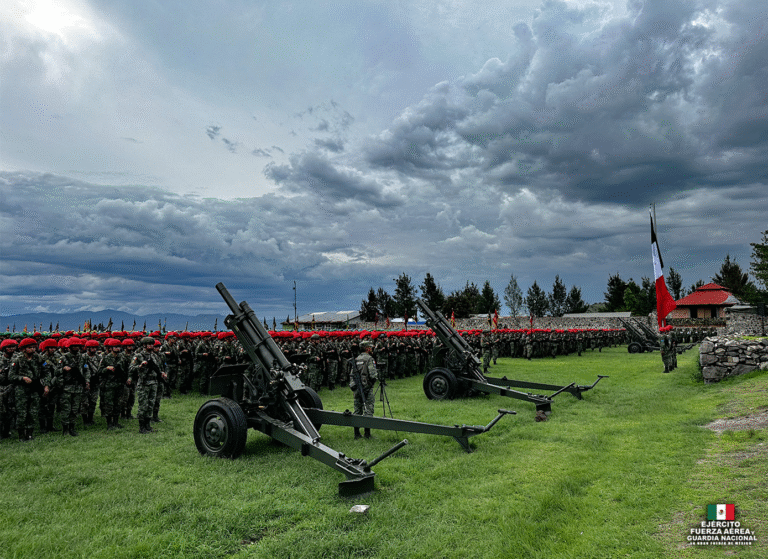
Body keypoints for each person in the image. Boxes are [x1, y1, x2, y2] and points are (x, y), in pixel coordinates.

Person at [129, 337, 167, 434]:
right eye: (149, 344)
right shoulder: (138, 356)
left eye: (152, 344)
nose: (151, 346)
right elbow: (131, 368)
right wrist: (140, 366)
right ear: (144, 345)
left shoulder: (154, 356)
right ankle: (142, 427)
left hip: (153, 383)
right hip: (144, 383)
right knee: (143, 405)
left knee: (151, 405)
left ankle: (148, 425)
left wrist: (162, 373)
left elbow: (158, 367)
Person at [350, 340, 378, 439]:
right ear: (367, 348)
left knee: (357, 410)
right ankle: (367, 434)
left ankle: (356, 434)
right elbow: (373, 374)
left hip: (356, 387)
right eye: (370, 347)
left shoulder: (356, 359)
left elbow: (352, 374)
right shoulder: (369, 359)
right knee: (368, 409)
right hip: (367, 387)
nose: (371, 349)